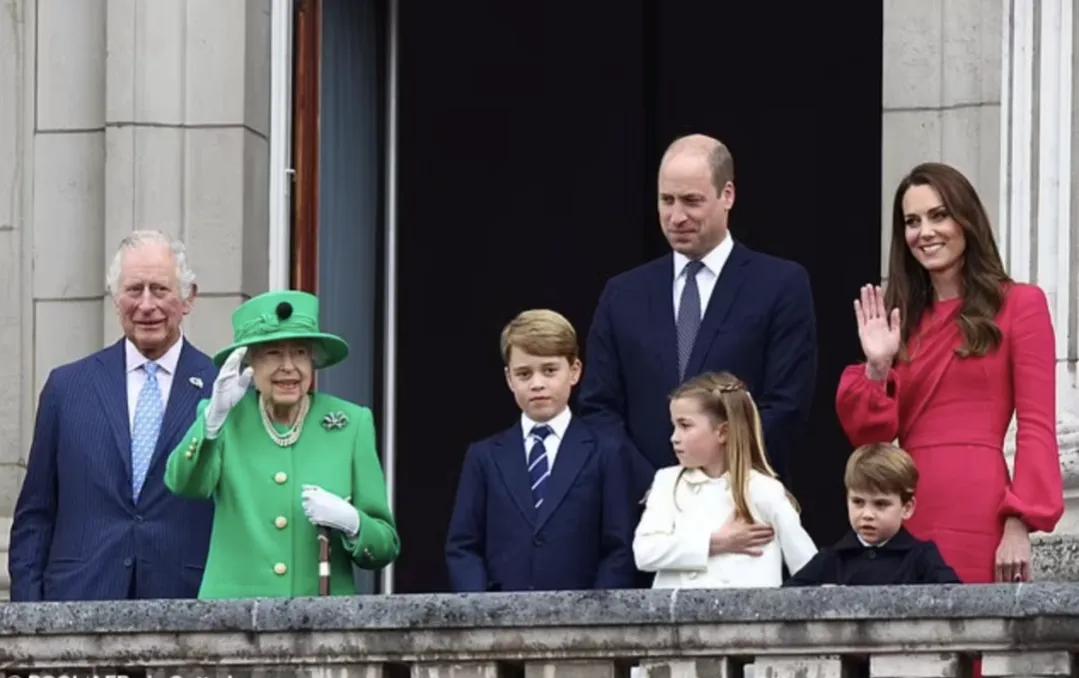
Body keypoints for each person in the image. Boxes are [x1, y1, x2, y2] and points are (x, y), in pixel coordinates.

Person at [837, 162, 1063, 584]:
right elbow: (870, 440)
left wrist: (1019, 522)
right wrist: (877, 367)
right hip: (908, 506)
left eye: (938, 215)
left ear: (967, 220)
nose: (925, 232)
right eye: (912, 221)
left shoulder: (1021, 304)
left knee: (973, 642)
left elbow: (1037, 426)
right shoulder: (896, 321)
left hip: (980, 505)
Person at [579, 133, 816, 503]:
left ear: (728, 196)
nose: (676, 217)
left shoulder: (779, 286)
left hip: (741, 508)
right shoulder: (622, 295)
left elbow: (786, 404)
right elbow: (599, 408)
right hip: (643, 516)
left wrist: (716, 481)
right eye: (666, 200)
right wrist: (658, 486)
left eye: (692, 201)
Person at [9, 230, 216, 601]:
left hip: (189, 611)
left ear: (188, 299)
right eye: (134, 290)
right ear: (115, 299)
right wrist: (29, 615)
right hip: (78, 605)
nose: (147, 304)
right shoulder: (66, 388)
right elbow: (36, 515)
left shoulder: (222, 390)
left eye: (161, 289)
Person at [164, 290, 398, 598]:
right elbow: (184, 484)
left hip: (321, 625)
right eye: (273, 353)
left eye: (300, 352)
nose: (288, 366)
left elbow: (384, 546)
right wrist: (212, 420)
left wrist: (352, 522)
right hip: (234, 622)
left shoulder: (351, 424)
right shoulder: (225, 418)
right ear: (250, 362)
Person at [445, 309, 636, 591]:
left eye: (549, 370)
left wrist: (596, 618)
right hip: (499, 621)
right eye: (524, 373)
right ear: (509, 379)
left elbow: (619, 547)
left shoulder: (606, 451)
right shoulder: (484, 456)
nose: (537, 384)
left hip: (583, 620)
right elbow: (463, 546)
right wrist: (482, 610)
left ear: (575, 371)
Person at [634, 371, 816, 588]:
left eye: (685, 425)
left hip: (746, 619)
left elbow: (808, 567)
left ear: (723, 432)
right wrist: (715, 543)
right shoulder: (667, 482)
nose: (674, 437)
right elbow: (644, 553)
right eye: (674, 426)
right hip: (677, 620)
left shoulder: (764, 490)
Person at [785, 443, 959, 586]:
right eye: (858, 502)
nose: (867, 514)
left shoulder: (922, 558)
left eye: (881, 504)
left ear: (907, 507)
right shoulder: (830, 560)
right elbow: (783, 601)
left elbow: (956, 601)